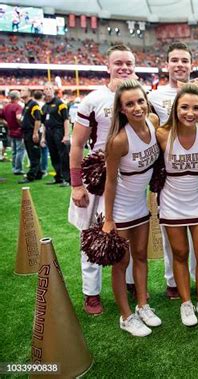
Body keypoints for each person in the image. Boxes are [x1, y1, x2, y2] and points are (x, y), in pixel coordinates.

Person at [69, 43, 137, 315]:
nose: (123, 68)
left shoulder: (140, 96)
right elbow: (76, 144)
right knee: (92, 234)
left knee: (127, 231)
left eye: (128, 63)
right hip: (96, 175)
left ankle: (131, 282)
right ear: (108, 67)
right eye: (118, 63)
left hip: (128, 176)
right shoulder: (93, 99)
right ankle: (91, 292)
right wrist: (76, 184)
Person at [102, 79, 161, 337]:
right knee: (121, 263)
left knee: (140, 256)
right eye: (130, 104)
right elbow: (110, 181)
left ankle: (143, 305)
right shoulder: (118, 140)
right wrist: (109, 219)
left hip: (141, 204)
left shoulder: (153, 123)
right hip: (122, 209)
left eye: (140, 101)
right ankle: (126, 317)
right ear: (121, 110)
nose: (137, 107)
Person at [155, 84, 198, 326]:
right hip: (172, 203)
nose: (189, 113)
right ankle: (186, 302)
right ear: (175, 108)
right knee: (179, 254)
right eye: (184, 107)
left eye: (195, 108)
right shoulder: (162, 133)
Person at [149, 42, 198, 300]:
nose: (180, 64)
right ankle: (172, 280)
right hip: (169, 171)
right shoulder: (154, 96)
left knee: (197, 235)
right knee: (173, 233)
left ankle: (192, 280)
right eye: (175, 60)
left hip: (196, 169)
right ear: (167, 64)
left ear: (191, 64)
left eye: (184, 60)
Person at [41, 83, 71, 186]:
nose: (48, 90)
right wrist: (43, 137)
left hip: (59, 131)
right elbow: (44, 123)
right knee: (54, 155)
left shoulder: (60, 103)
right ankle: (58, 177)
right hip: (49, 132)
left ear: (53, 90)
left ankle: (67, 179)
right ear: (43, 91)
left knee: (63, 155)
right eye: (46, 89)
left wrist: (66, 135)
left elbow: (66, 120)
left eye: (50, 88)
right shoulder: (44, 107)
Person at [17, 88, 42, 184]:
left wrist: (35, 133)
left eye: (23, 91)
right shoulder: (26, 105)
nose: (21, 92)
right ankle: (38, 173)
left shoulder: (34, 104)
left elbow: (38, 119)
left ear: (29, 93)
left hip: (32, 132)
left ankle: (31, 176)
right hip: (26, 132)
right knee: (31, 154)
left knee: (34, 154)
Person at [0, 90, 25, 175]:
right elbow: (18, 117)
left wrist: (6, 123)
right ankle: (18, 169)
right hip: (19, 131)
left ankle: (14, 167)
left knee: (14, 151)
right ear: (17, 97)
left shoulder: (6, 107)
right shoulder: (18, 106)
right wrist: (22, 125)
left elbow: (1, 117)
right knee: (20, 150)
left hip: (11, 131)